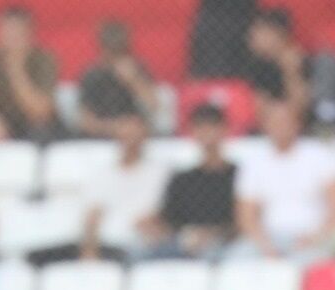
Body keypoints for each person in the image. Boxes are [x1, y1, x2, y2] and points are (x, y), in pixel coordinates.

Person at [233, 99, 335, 261]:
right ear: (266, 126)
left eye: (285, 121)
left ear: (297, 124)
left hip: (310, 237)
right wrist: (264, 244)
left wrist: (317, 236)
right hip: (268, 238)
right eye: (275, 121)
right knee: (237, 261)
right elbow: (246, 214)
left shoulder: (319, 155)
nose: (280, 126)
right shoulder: (255, 162)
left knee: (307, 264)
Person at [78, 109, 168, 261]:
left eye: (135, 131)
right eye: (125, 130)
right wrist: (89, 252)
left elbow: (167, 216)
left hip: (146, 247)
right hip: (109, 247)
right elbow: (93, 216)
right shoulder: (103, 174)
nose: (130, 136)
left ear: (145, 134)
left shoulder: (162, 173)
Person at [157, 102, 238, 259]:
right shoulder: (181, 179)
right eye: (201, 127)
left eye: (212, 127)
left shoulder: (238, 176)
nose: (207, 133)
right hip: (184, 243)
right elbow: (169, 220)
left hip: (225, 244)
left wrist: (213, 234)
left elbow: (242, 220)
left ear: (224, 130)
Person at [0, 7, 63, 143]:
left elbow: (41, 112)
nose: (11, 38)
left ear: (30, 34)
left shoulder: (44, 60)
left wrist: (16, 71)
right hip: (3, 120)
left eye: (17, 33)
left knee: (41, 135)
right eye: (6, 32)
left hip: (36, 124)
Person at [76, 21, 160, 139]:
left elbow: (154, 106)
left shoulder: (138, 70)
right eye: (111, 51)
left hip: (135, 133)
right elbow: (86, 122)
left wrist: (133, 81)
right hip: (102, 136)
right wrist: (115, 127)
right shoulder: (92, 75)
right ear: (102, 49)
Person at [242, 8, 310, 117]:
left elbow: (302, 107)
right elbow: (260, 107)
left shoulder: (305, 61)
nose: (251, 38)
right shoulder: (257, 65)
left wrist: (291, 72)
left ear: (278, 34)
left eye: (259, 33)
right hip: (272, 122)